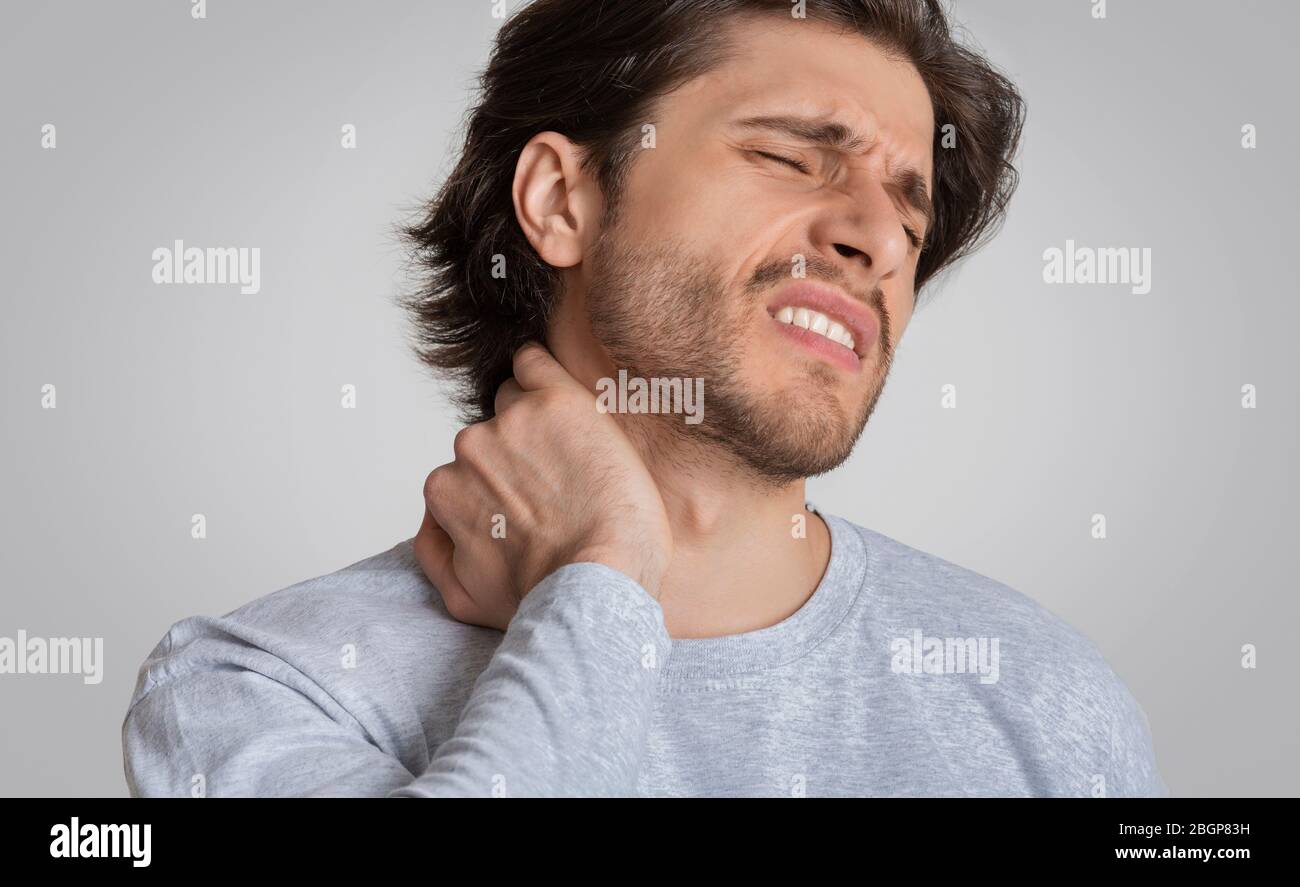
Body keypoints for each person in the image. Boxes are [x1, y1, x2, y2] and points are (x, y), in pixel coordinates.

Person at [122, 0, 1166, 797]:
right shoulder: (264, 687)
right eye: (789, 155)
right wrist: (603, 574)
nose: (877, 240)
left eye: (908, 209)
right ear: (561, 199)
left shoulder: (1041, 697)